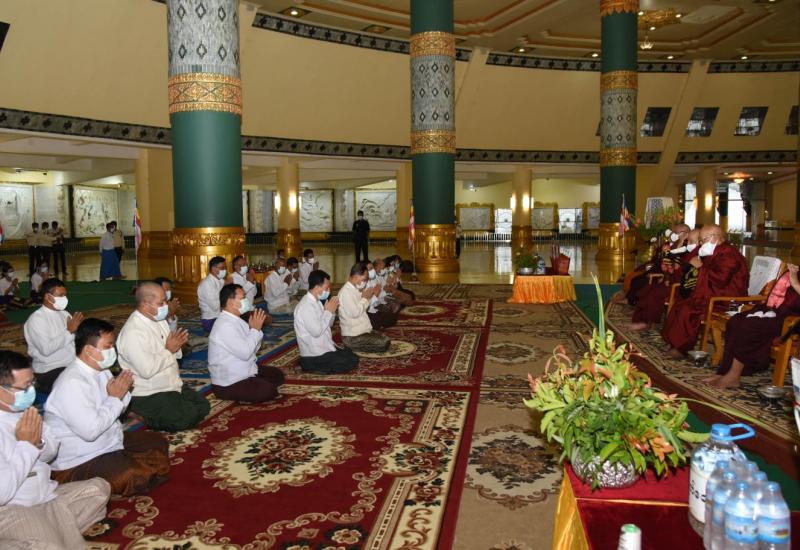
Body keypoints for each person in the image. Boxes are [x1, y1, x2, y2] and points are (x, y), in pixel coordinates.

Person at [45, 318, 170, 496]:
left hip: (109, 442)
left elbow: (117, 408)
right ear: (89, 350)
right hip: (79, 460)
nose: (113, 351)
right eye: (108, 346)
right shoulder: (71, 383)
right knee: (133, 475)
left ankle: (125, 467)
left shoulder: (101, 371)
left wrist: (123, 392)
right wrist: (115, 398)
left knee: (157, 442)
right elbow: (90, 431)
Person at [0, 350, 111, 549]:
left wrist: (38, 443)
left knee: (98, 489)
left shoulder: (23, 411)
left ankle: (42, 532)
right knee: (48, 545)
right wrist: (26, 446)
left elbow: (51, 453)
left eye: (32, 384)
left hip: (46, 496)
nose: (31, 391)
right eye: (24, 387)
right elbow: (3, 492)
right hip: (11, 508)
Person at [117, 282, 210, 432]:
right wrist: (169, 350)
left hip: (171, 385)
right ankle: (138, 411)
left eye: (165, 301)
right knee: (187, 417)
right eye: (161, 303)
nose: (166, 306)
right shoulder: (133, 332)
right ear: (145, 305)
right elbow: (147, 370)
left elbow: (173, 350)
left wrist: (177, 346)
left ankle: (163, 409)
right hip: (148, 393)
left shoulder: (158, 320)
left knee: (203, 406)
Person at [705, 264, 800, 388]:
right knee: (736, 321)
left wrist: (795, 282)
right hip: (775, 312)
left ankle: (734, 375)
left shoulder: (795, 275)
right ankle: (724, 371)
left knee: (750, 326)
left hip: (791, 320)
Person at [662, 224, 749, 357]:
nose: (701, 244)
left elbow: (721, 280)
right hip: (712, 292)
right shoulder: (714, 251)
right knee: (681, 301)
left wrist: (701, 267)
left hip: (727, 299)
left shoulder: (729, 254)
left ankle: (680, 347)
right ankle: (673, 341)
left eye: (702, 240)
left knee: (689, 309)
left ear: (714, 238)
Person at [208, 284, 285, 402]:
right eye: (243, 298)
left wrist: (256, 329)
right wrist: (255, 330)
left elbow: (253, 349)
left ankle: (255, 383)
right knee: (268, 390)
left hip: (245, 369)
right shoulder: (225, 325)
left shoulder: (237, 320)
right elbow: (245, 353)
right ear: (230, 302)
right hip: (229, 382)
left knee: (277, 375)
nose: (246, 300)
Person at [627, 227, 696, 331]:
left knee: (653, 293)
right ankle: (642, 320)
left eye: (690, 241)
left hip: (682, 287)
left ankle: (645, 322)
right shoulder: (683, 248)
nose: (687, 242)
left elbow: (689, 274)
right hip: (672, 281)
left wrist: (674, 270)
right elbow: (670, 265)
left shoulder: (697, 253)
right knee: (647, 289)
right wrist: (667, 276)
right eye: (688, 240)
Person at [23, 278, 83, 394]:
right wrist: (69, 332)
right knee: (76, 388)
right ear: (47, 297)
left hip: (71, 363)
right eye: (60, 295)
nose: (64, 298)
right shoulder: (36, 319)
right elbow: (46, 349)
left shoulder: (64, 314)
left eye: (65, 295)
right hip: (50, 369)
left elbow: (74, 340)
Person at [294, 270, 359, 374]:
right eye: (327, 288)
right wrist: (328, 312)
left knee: (351, 355)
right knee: (348, 362)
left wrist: (332, 312)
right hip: (314, 355)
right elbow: (316, 332)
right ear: (317, 287)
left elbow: (328, 325)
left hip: (324, 349)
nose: (329, 290)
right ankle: (310, 366)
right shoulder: (305, 306)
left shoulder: (317, 302)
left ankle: (323, 364)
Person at [338, 262, 390, 353]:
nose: (365, 282)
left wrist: (369, 297)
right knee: (383, 343)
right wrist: (365, 298)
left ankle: (359, 345)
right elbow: (355, 313)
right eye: (364, 279)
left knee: (385, 339)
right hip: (352, 336)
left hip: (361, 331)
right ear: (356, 276)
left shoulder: (355, 289)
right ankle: (351, 346)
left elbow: (363, 307)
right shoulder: (346, 292)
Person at [197, 256, 228, 332]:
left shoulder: (220, 280)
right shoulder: (206, 284)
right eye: (222, 268)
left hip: (220, 315)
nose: (225, 270)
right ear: (213, 268)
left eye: (225, 267)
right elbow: (215, 306)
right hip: (211, 319)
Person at [365, 260, 398, 329]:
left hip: (377, 304)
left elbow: (386, 287)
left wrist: (394, 280)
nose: (373, 270)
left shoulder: (376, 278)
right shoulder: (363, 284)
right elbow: (367, 303)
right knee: (377, 325)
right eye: (370, 269)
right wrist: (377, 294)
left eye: (372, 268)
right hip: (369, 309)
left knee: (392, 319)